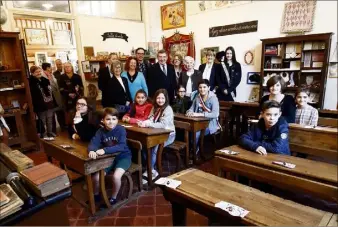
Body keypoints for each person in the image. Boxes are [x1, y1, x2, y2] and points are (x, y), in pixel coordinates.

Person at [88, 107, 132, 205]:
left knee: (116, 177)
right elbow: (93, 143)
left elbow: (121, 146)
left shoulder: (121, 130)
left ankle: (113, 197)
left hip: (123, 157)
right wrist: (92, 150)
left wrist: (104, 150)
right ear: (102, 120)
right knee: (96, 178)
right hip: (109, 158)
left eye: (114, 119)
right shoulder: (100, 131)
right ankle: (96, 195)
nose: (111, 122)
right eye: (108, 119)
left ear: (117, 120)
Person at [138, 89, 175, 182]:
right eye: (158, 98)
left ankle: (150, 170)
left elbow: (163, 125)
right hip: (156, 134)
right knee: (145, 145)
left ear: (166, 99)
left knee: (155, 147)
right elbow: (150, 118)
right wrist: (144, 122)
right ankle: (151, 168)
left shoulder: (168, 109)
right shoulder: (154, 107)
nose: (160, 100)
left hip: (168, 135)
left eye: (162, 98)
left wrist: (148, 124)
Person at [186, 79, 220, 155]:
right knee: (188, 129)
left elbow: (215, 114)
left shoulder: (213, 98)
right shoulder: (197, 97)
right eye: (200, 87)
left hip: (210, 124)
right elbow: (191, 109)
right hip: (197, 122)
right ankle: (190, 148)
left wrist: (199, 114)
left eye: (204, 87)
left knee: (196, 131)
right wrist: (189, 112)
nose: (202, 89)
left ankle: (194, 151)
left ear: (209, 88)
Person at [29, 66, 56, 138]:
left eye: (39, 71)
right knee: (42, 120)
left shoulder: (45, 80)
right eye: (36, 72)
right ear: (32, 73)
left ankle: (50, 132)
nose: (38, 73)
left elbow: (50, 90)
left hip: (49, 102)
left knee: (49, 119)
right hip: (40, 104)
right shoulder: (30, 82)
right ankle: (44, 134)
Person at [42, 62, 65, 133]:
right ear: (47, 68)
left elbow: (55, 85)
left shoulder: (52, 75)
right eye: (50, 67)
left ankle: (63, 126)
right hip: (50, 98)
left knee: (60, 112)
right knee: (51, 115)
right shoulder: (42, 77)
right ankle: (53, 131)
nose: (51, 68)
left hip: (57, 97)